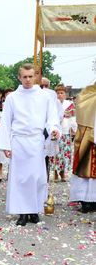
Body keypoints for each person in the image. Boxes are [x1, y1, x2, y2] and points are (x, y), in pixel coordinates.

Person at [0, 64, 60, 226]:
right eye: (25, 77)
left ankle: (34, 210)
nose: (28, 80)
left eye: (31, 76)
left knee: (37, 177)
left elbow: (51, 118)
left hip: (36, 141)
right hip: (19, 141)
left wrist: (53, 130)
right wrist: (5, 145)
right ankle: (22, 212)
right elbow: (6, 123)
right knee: (20, 178)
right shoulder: (12, 98)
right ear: (19, 77)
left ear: (35, 77)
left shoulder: (45, 96)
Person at [69, 83, 96, 213]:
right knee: (85, 172)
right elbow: (80, 104)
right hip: (88, 138)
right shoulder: (87, 93)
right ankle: (85, 201)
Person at [52, 84, 77, 182]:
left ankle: (62, 173)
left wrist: (75, 129)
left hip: (66, 132)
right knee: (56, 153)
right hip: (55, 133)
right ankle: (55, 173)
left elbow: (73, 118)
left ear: (65, 94)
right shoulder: (53, 104)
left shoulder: (69, 105)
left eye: (61, 93)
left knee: (64, 154)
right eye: (58, 93)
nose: (59, 95)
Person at [0, 88, 13, 182]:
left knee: (12, 153)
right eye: (7, 95)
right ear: (4, 97)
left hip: (12, 133)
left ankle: (11, 172)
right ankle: (0, 173)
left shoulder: (17, 107)